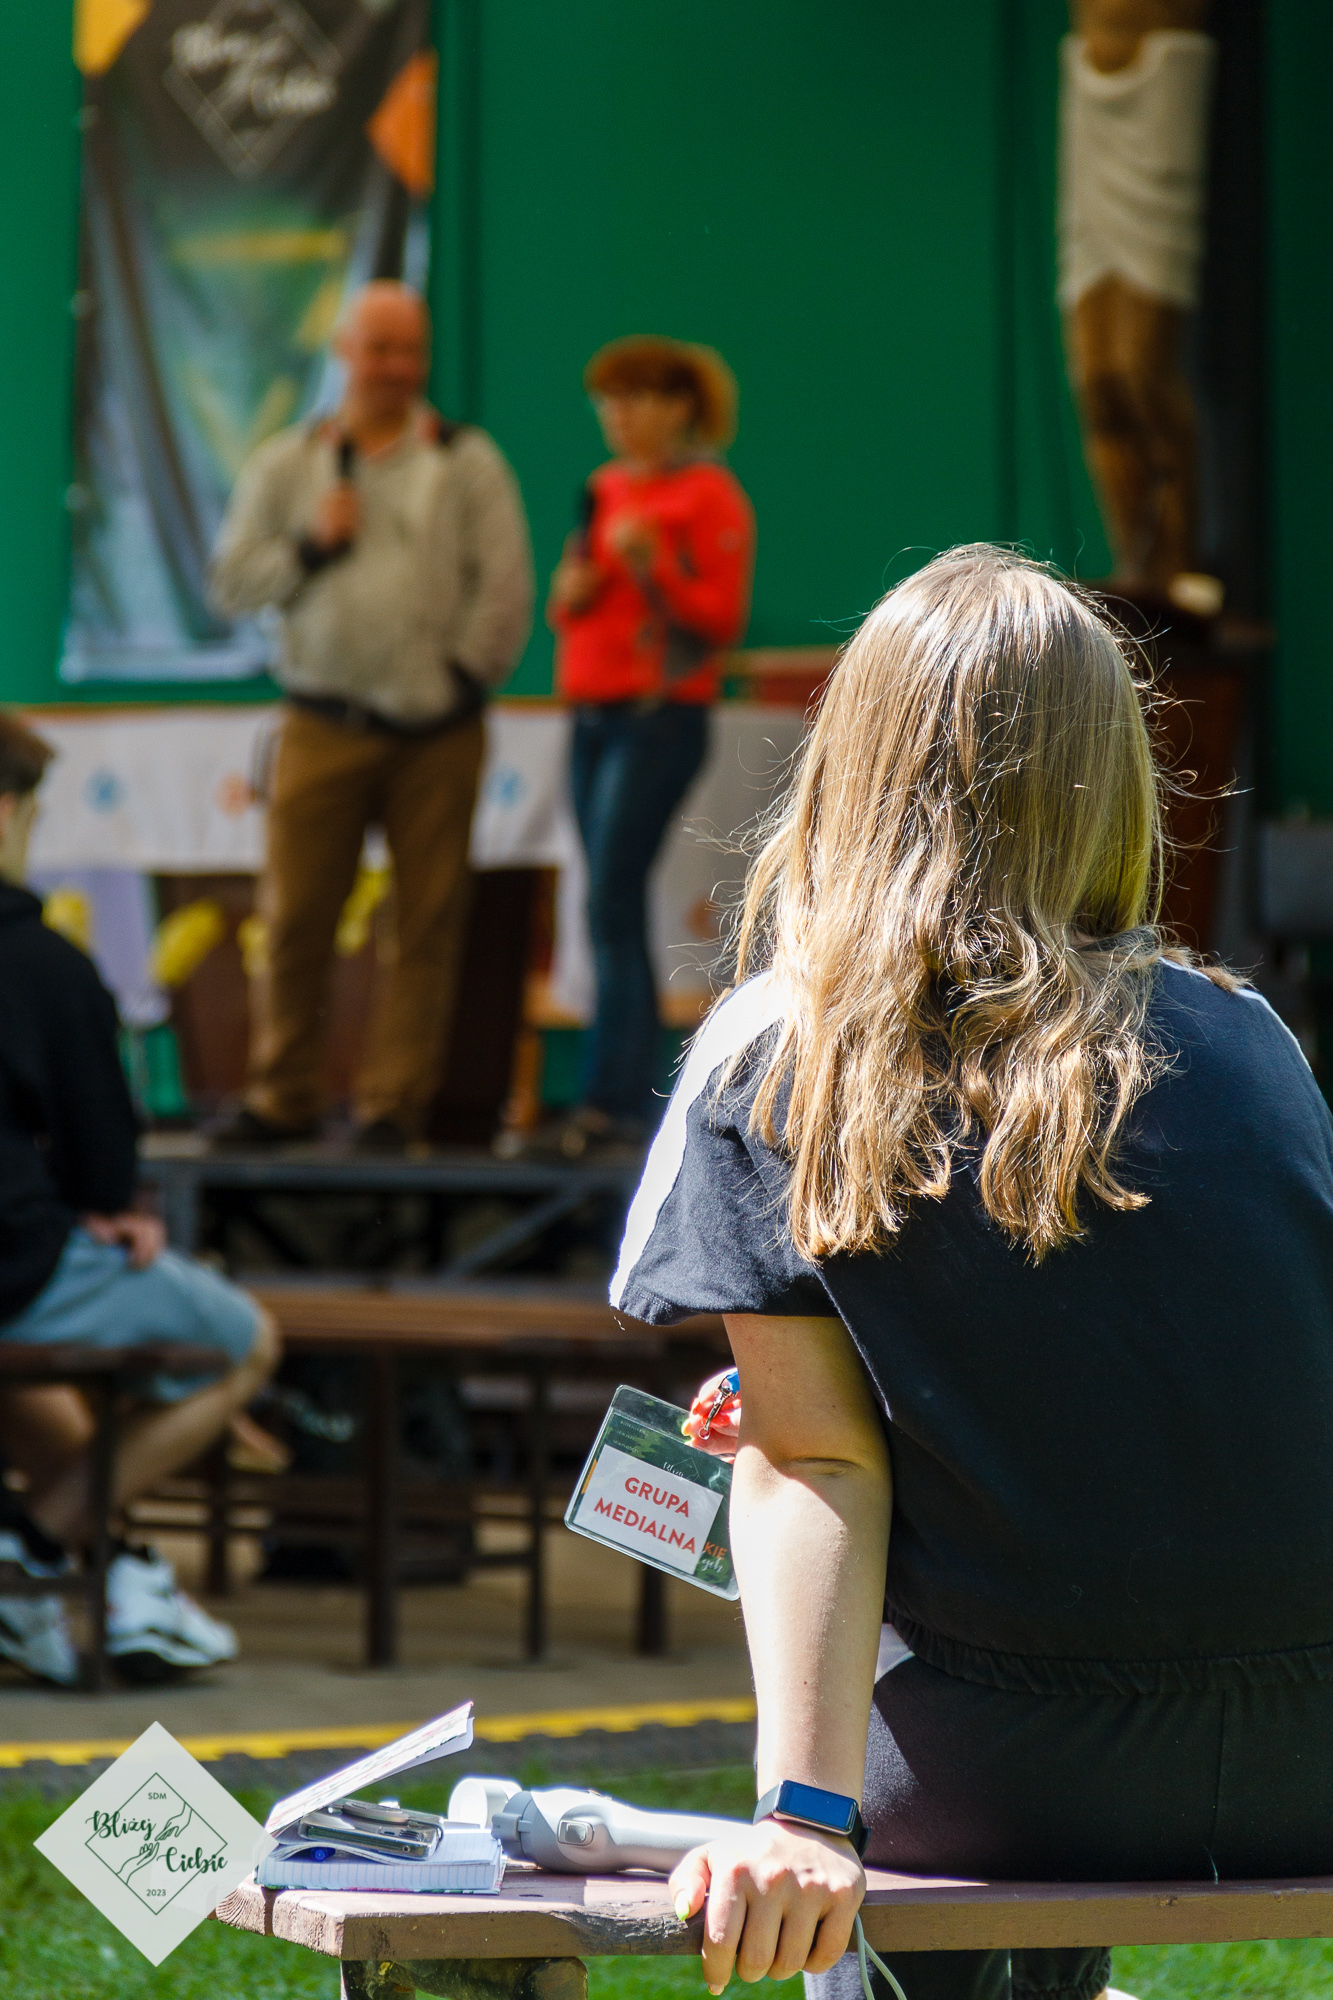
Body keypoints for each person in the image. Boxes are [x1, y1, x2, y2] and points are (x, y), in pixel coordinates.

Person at [612, 547, 1333, 2000]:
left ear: (854, 763)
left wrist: (801, 1819)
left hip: (1002, 1768)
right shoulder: (1252, 1039)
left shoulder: (782, 1048)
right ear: (1115, 777)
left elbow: (814, 1463)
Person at [209, 281, 534, 1150]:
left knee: (425, 927)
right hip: (320, 723)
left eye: (409, 351)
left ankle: (394, 1109)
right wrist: (309, 545)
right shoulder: (287, 464)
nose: (395, 367)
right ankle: (281, 1099)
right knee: (293, 920)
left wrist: (459, 679)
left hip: (439, 735)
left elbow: (505, 587)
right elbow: (230, 583)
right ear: (343, 353)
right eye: (379, 348)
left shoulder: (466, 462)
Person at [0, 714, 280, 1686]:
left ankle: (117, 1567)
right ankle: (33, 1551)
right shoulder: (41, 961)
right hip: (12, 1261)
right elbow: (99, 1134)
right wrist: (110, 1201)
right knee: (245, 1342)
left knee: (25, 1374)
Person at [547, 335, 755, 1155]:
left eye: (633, 399)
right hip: (593, 712)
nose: (616, 416)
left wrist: (654, 568)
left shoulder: (708, 496)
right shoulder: (604, 488)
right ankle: (613, 1096)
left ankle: (617, 1100)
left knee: (610, 895)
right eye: (607, 401)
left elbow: (719, 620)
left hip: (656, 714)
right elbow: (573, 604)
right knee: (607, 898)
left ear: (678, 408)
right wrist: (570, 592)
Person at [1059, 0, 1220, 608]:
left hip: (1160, 72)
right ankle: (1135, 563)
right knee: (1096, 380)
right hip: (1088, 79)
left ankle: (1179, 563)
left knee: (1138, 369)